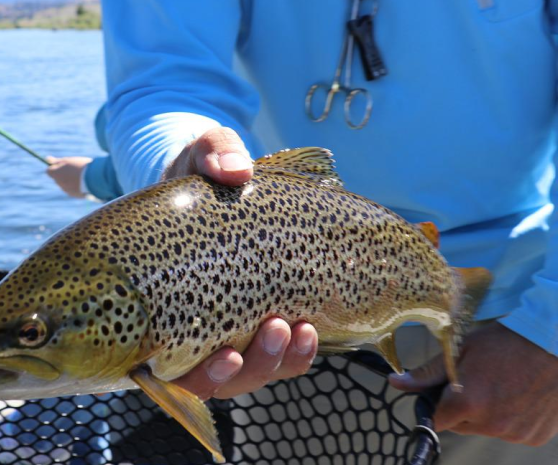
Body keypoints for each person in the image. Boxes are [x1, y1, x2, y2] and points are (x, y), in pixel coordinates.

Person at [47, 1, 558, 462]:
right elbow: (163, 78)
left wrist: (548, 332)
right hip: (263, 315)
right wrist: (178, 166)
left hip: (521, 310)